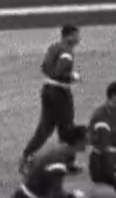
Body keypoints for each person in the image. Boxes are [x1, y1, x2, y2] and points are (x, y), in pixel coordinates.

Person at [20, 24, 82, 175]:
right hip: (60, 92)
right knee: (67, 127)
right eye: (77, 35)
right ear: (70, 36)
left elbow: (44, 67)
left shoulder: (54, 47)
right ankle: (69, 161)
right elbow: (59, 72)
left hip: (48, 90)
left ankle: (27, 155)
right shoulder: (67, 52)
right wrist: (72, 76)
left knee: (46, 128)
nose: (79, 38)